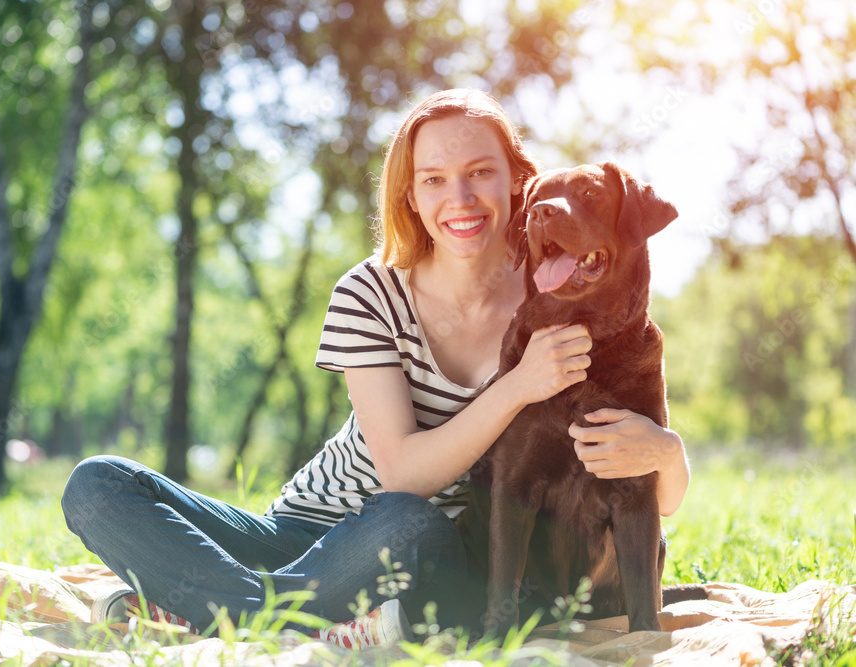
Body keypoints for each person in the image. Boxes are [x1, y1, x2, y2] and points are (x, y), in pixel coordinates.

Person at [61, 88, 691, 648]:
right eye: (434, 180)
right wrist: (519, 385)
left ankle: (208, 607)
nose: (460, 198)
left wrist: (666, 450)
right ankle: (268, 613)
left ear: (517, 183)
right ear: (410, 197)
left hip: (425, 547)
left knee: (403, 521)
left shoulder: (555, 294)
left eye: (480, 173)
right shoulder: (368, 293)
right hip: (307, 529)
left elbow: (638, 488)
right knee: (97, 484)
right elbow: (401, 469)